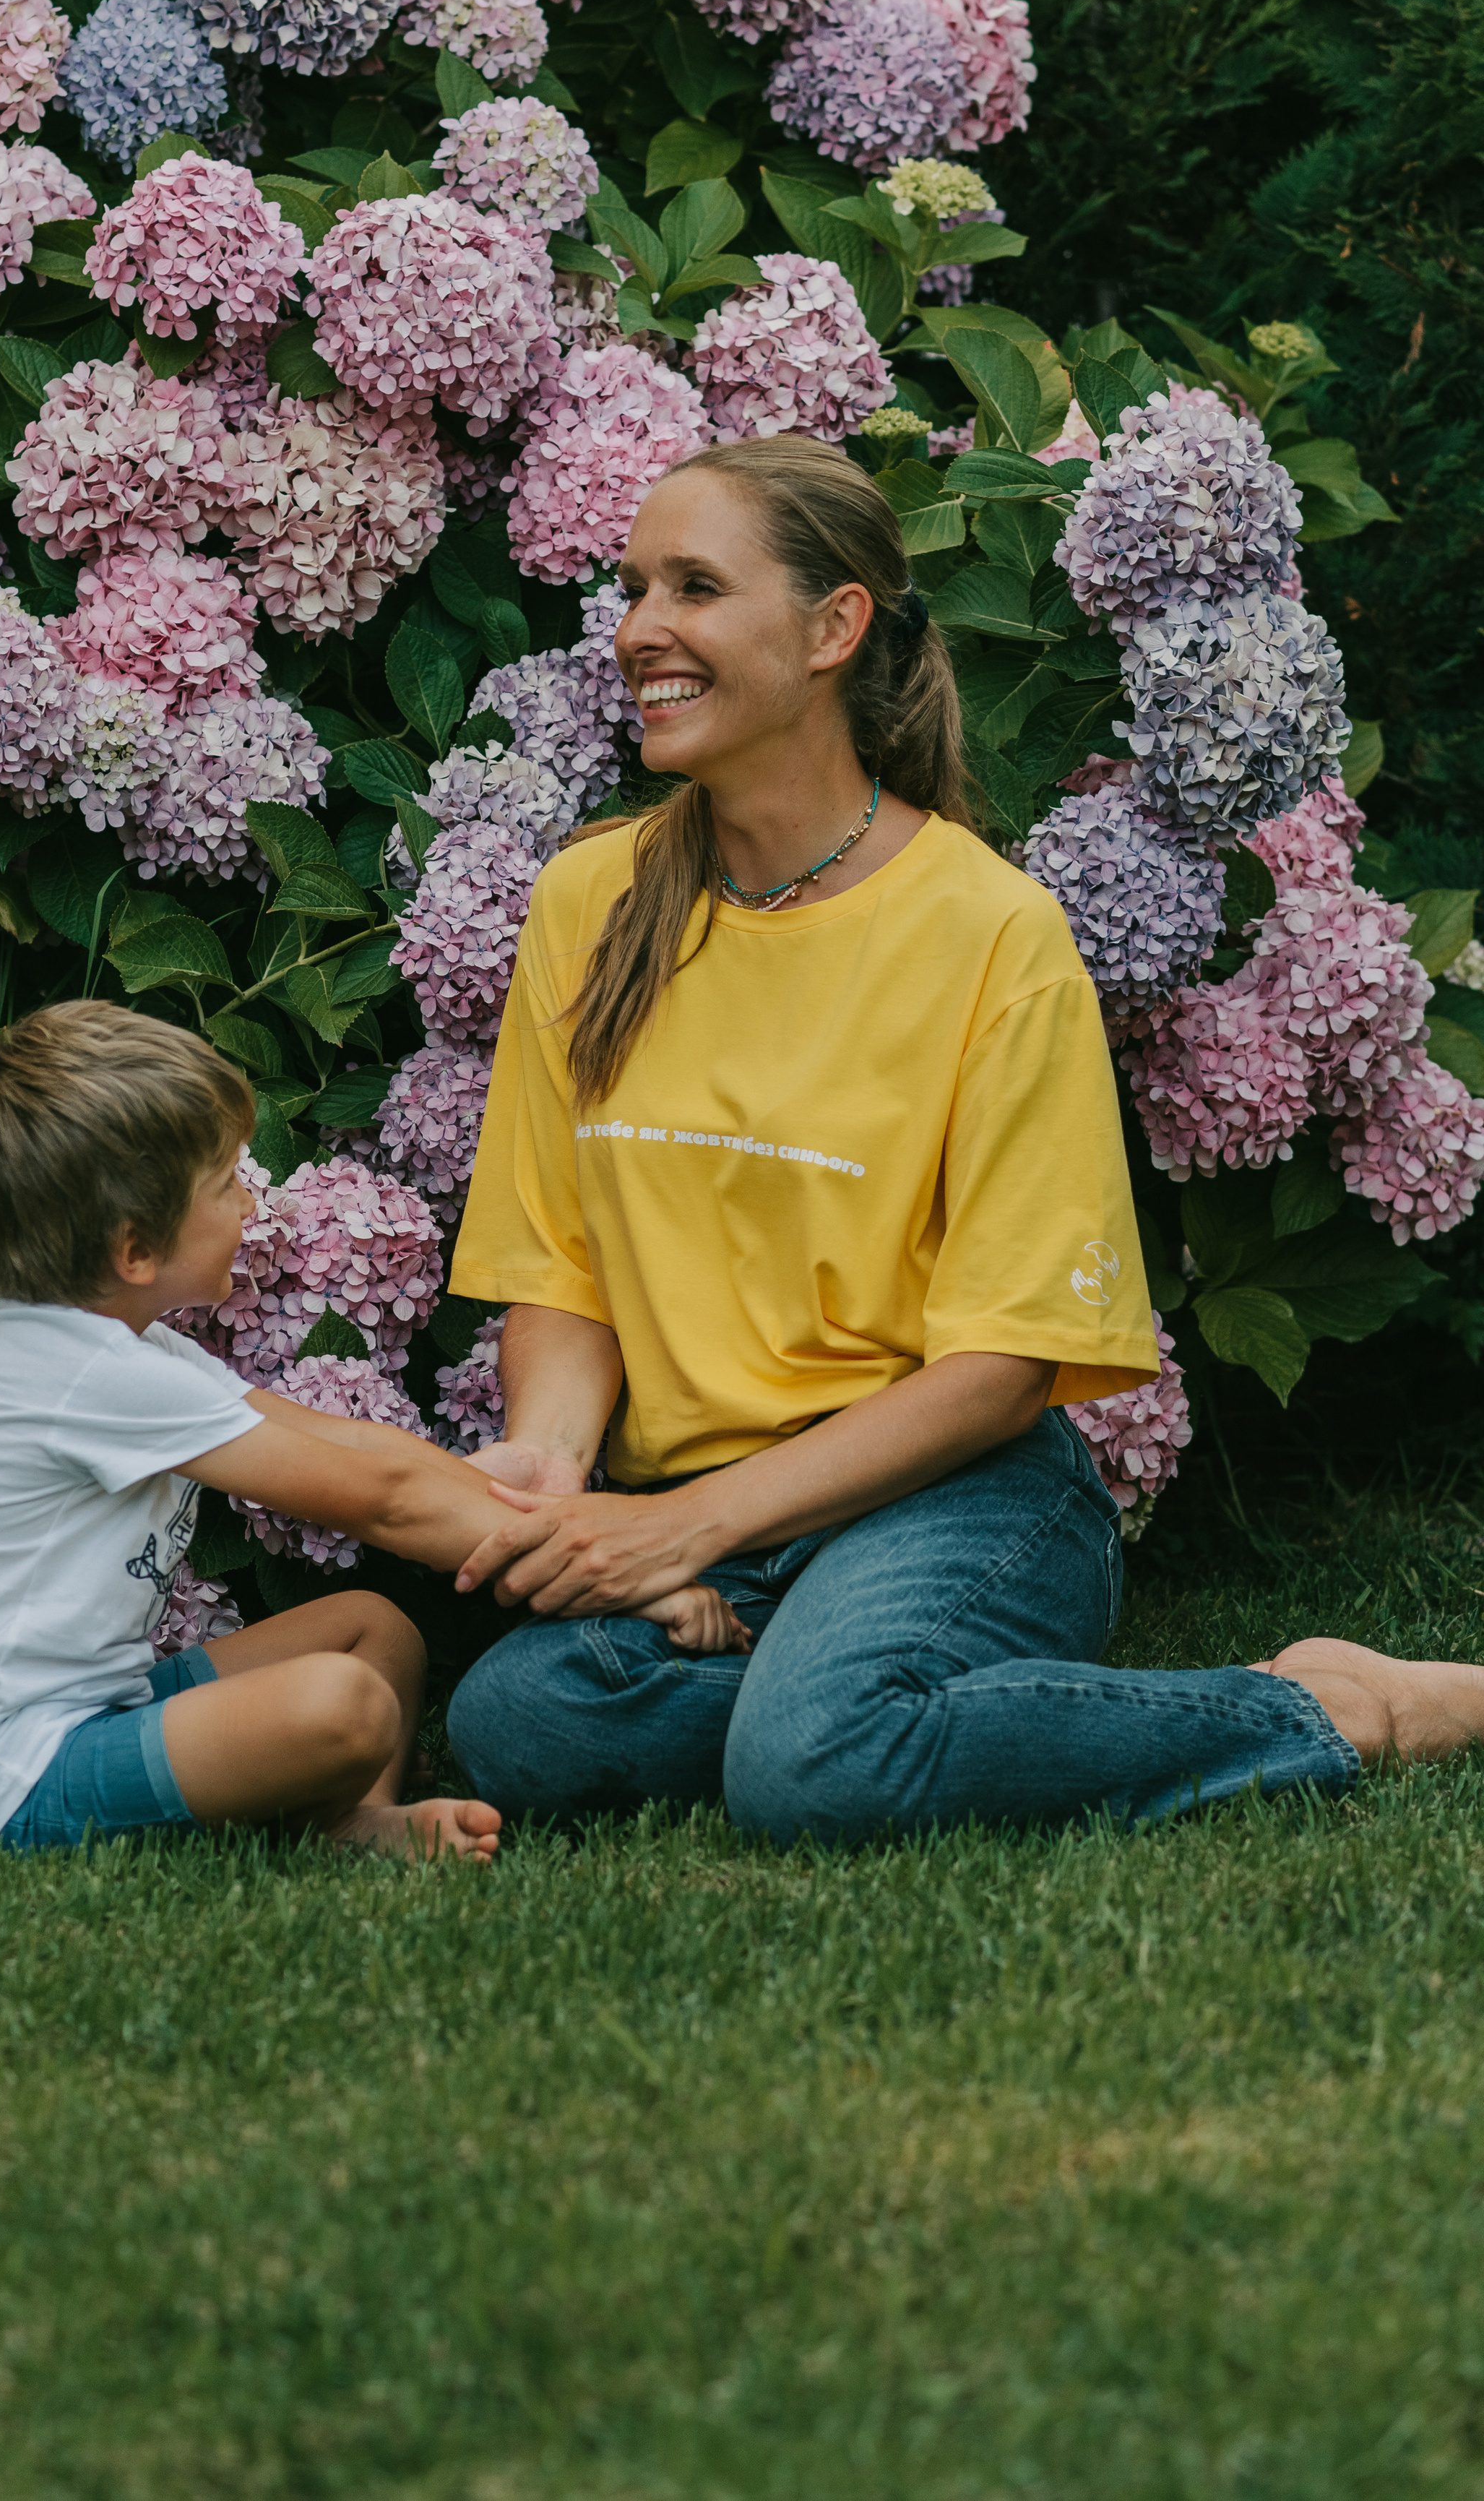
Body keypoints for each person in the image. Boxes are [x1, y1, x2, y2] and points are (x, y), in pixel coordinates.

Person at [441, 433, 1484, 1839]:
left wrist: (693, 1530)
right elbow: (558, 1267)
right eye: (631, 589)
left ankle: (1335, 1705)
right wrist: (558, 1476)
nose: (639, 631)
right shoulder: (590, 901)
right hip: (712, 1508)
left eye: (692, 587)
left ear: (832, 628)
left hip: (960, 1494)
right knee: (513, 1719)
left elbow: (1002, 1369)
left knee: (811, 1775)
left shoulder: (988, 931)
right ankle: (848, 1698)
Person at [0, 1002, 742, 1864]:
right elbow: (378, 1501)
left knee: (371, 1630)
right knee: (342, 1704)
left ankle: (351, 1821)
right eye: (225, 1184)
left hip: (80, 1715)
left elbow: (352, 1448)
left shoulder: (106, 1347)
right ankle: (340, 1814)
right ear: (134, 1251)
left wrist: (498, 1483)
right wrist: (621, 1581)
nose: (249, 1204)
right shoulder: (82, 1374)